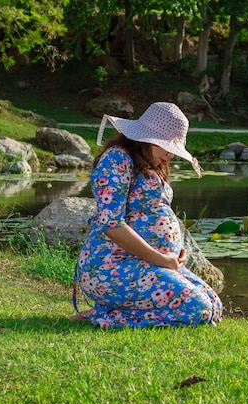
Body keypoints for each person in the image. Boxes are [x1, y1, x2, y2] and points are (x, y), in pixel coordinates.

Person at [70, 102, 223, 328]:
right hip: (110, 266)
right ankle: (104, 315)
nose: (170, 155)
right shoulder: (117, 159)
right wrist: (161, 258)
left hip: (147, 264)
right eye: (166, 146)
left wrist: (175, 252)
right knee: (197, 307)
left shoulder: (152, 164)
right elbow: (111, 225)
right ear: (146, 138)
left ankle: (114, 309)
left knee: (214, 306)